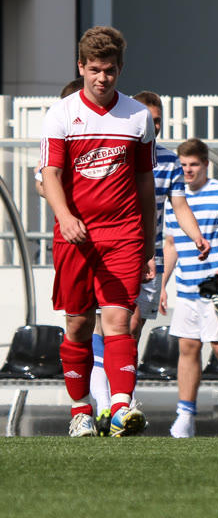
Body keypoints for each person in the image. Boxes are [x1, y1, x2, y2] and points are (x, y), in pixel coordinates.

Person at [39, 26, 156, 437]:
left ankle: (121, 408)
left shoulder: (138, 116)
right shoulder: (61, 113)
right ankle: (81, 412)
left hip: (123, 233)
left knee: (119, 320)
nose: (102, 78)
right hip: (75, 237)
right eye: (94, 70)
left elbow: (145, 183)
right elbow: (49, 174)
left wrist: (147, 243)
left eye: (109, 70)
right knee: (77, 325)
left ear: (120, 69)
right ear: (81, 67)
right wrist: (65, 216)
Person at [87, 92, 211, 435]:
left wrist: (197, 236)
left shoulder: (169, 160)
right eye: (148, 119)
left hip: (149, 256)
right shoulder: (117, 151)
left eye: (157, 121)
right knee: (111, 328)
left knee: (131, 331)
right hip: (113, 251)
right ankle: (110, 406)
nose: (152, 126)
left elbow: (179, 205)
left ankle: (117, 406)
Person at [160, 138, 218, 438]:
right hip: (187, 285)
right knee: (187, 347)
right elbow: (171, 244)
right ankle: (185, 415)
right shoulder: (174, 197)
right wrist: (162, 283)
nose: (188, 170)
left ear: (205, 164)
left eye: (194, 164)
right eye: (183, 165)